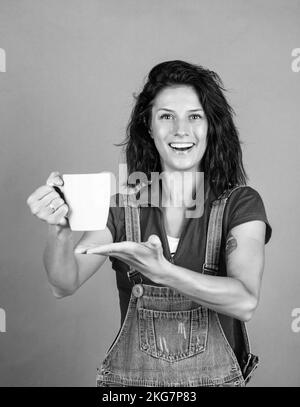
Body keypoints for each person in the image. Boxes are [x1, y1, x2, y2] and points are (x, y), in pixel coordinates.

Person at [26, 60, 272, 387]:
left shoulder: (240, 204)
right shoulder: (124, 207)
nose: (180, 130)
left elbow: (244, 301)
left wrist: (163, 272)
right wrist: (58, 231)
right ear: (149, 126)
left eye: (194, 117)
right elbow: (63, 284)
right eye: (166, 116)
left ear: (211, 126)